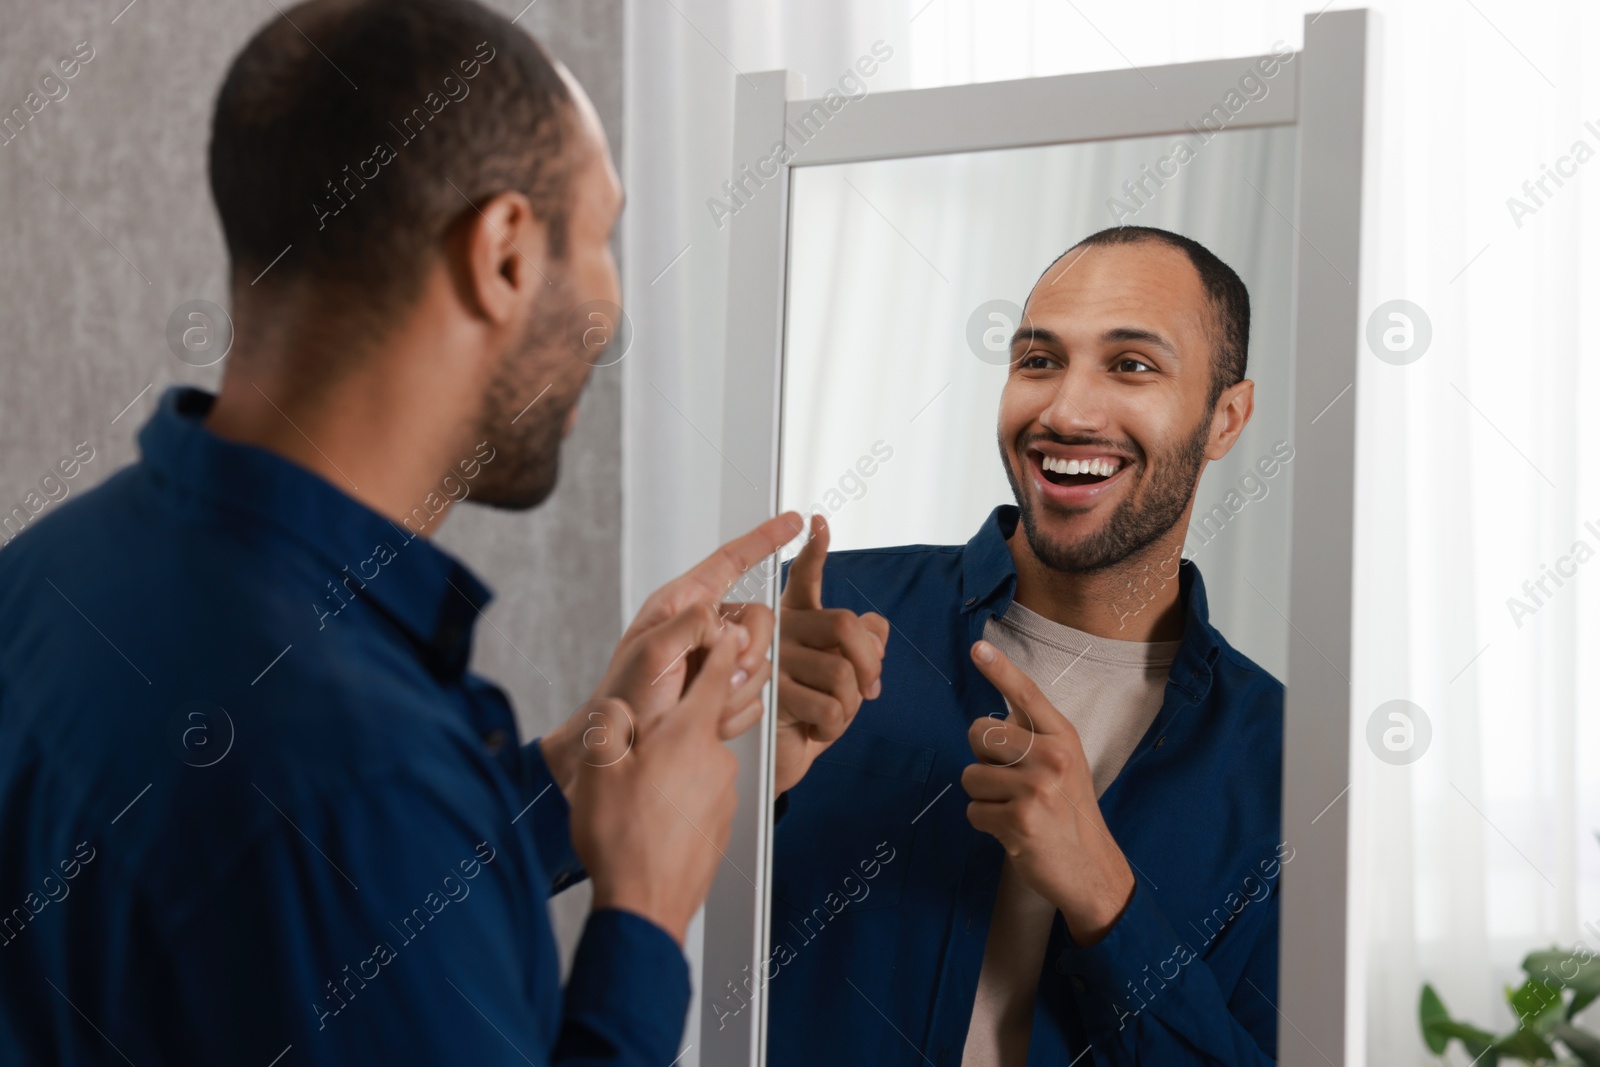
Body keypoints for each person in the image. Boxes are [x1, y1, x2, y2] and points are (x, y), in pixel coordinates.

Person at [0, 1, 804, 1063]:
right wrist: (645, 912)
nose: (612, 309)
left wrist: (574, 765)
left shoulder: (51, 575)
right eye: (602, 234)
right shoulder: (352, 769)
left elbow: (324, 930)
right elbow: (339, 842)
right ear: (505, 252)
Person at [767, 227, 1288, 1065]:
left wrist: (1105, 897)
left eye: (1132, 365)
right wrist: (726, 759)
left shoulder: (1285, 762)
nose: (1066, 413)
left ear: (1226, 417)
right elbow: (549, 861)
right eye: (1039, 360)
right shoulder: (826, 614)